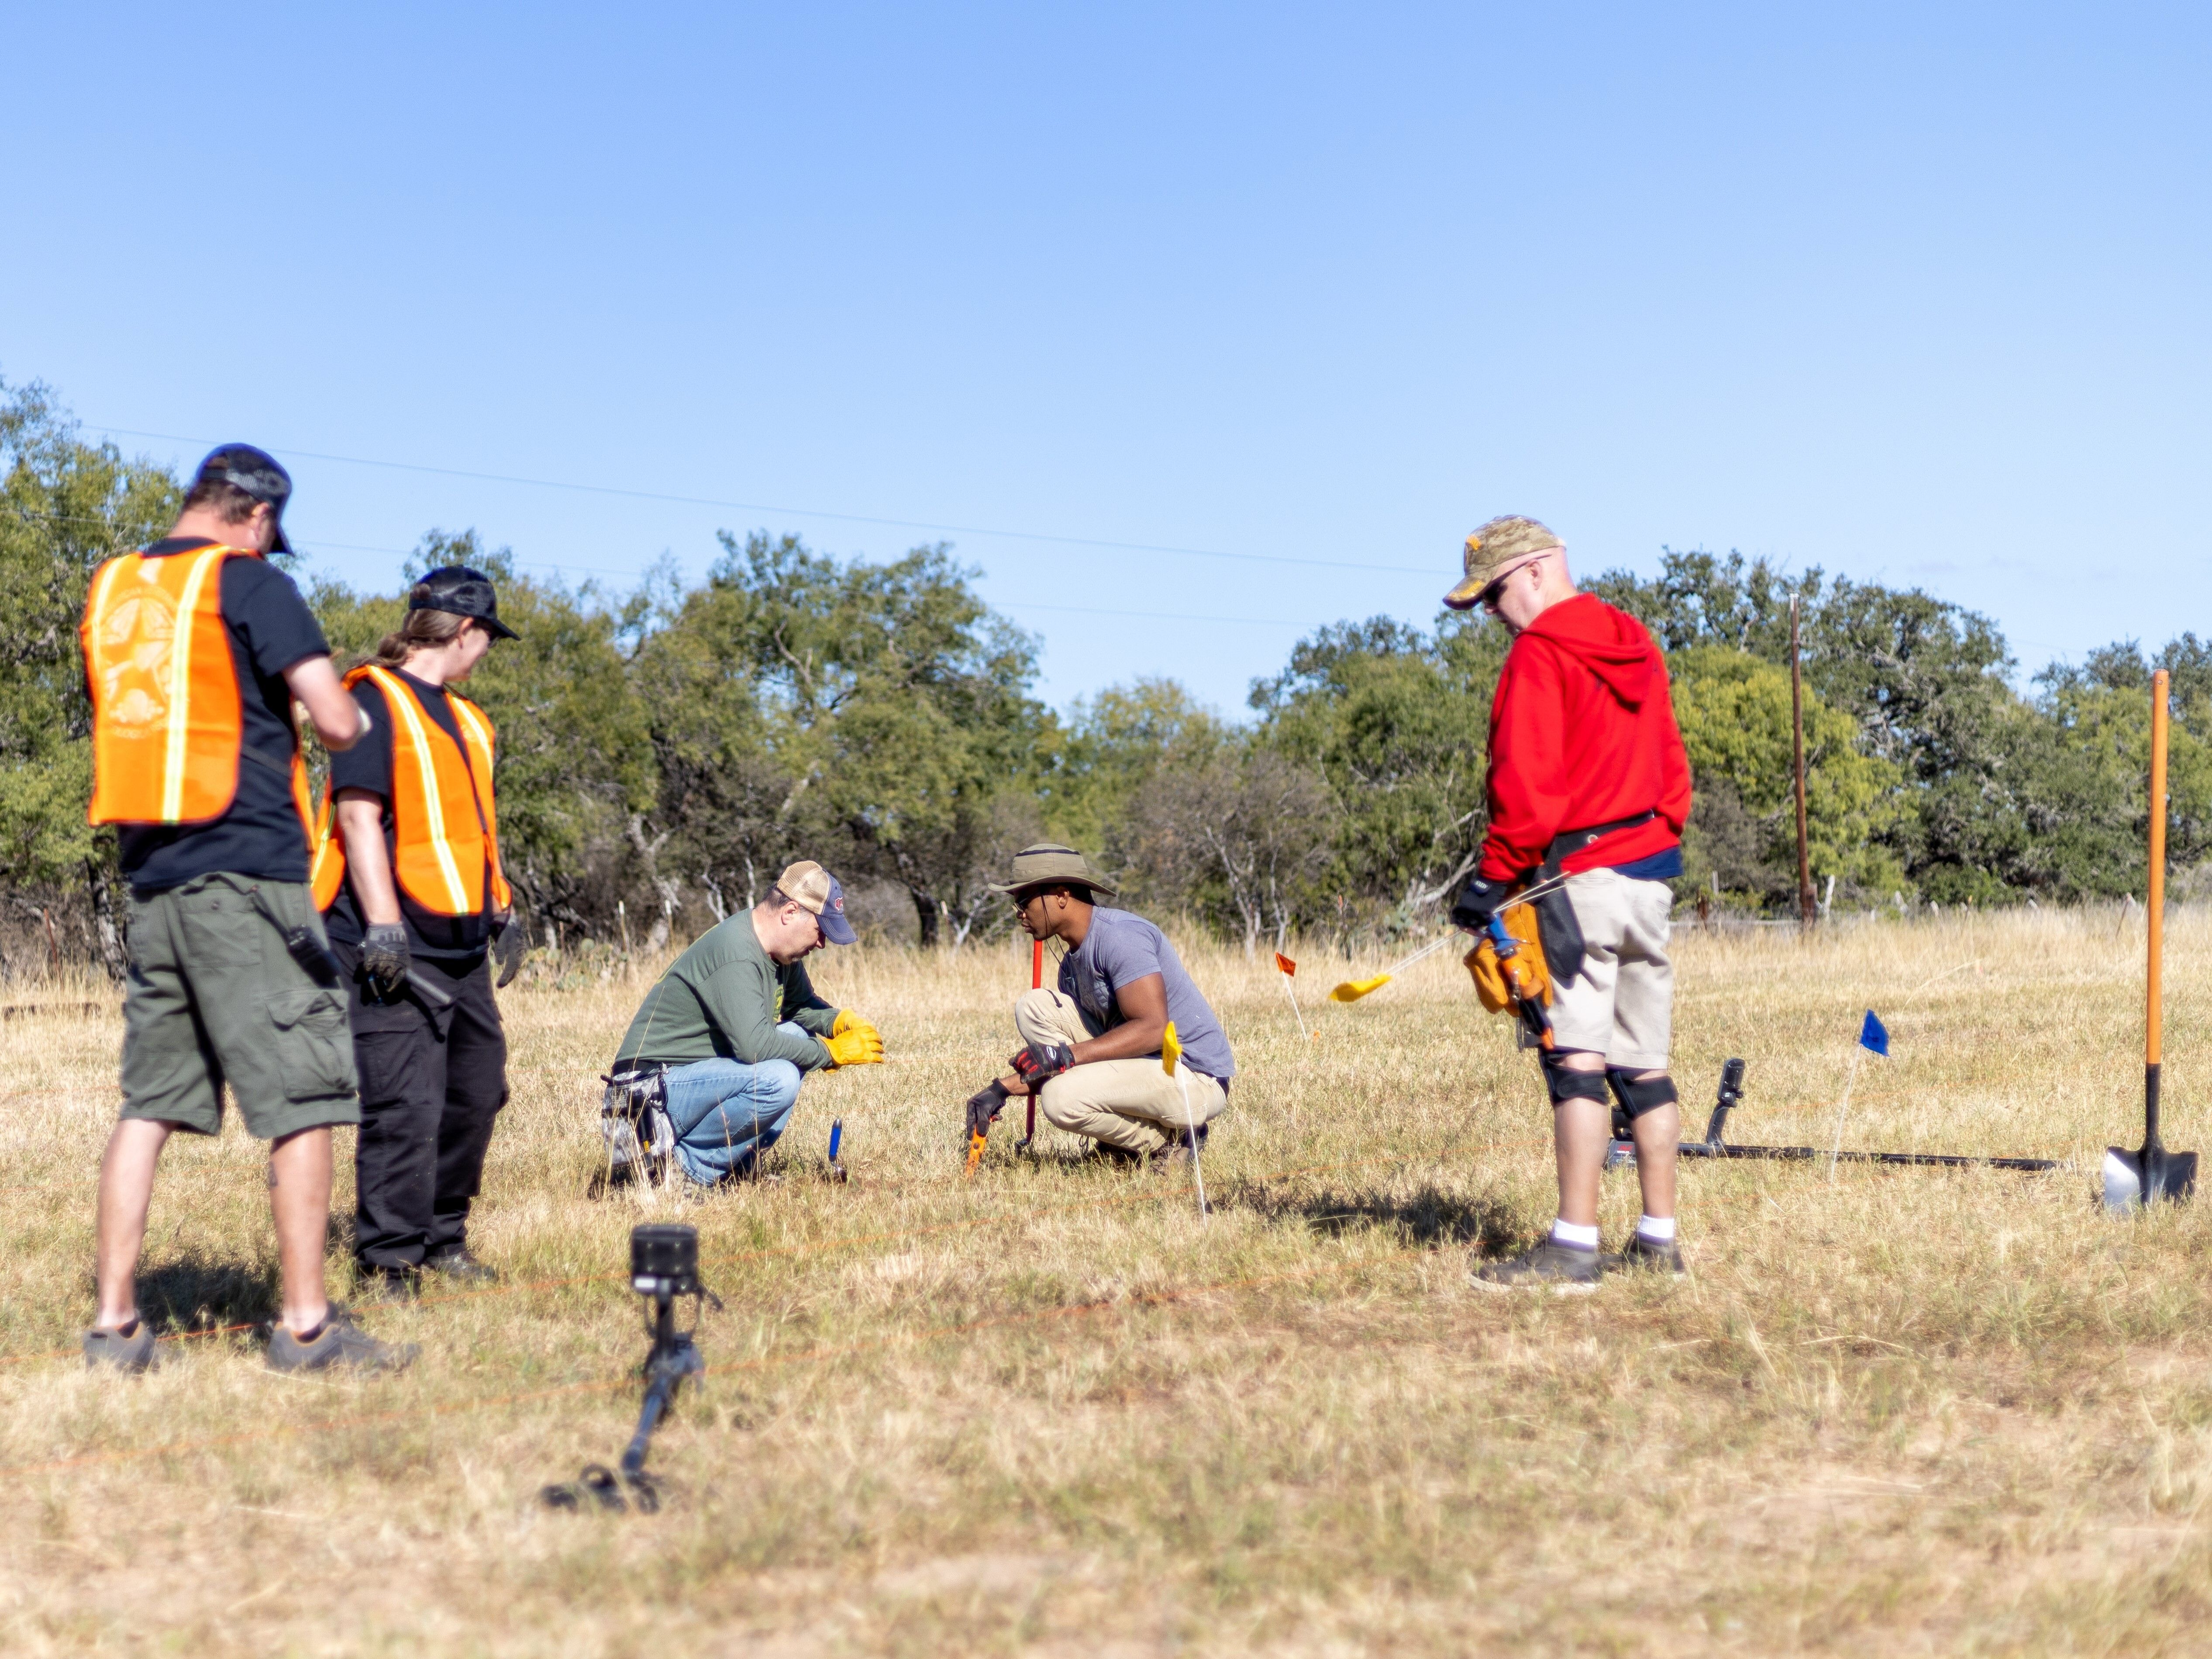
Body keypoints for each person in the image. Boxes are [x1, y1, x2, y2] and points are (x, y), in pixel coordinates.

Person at [79, 444, 412, 1373]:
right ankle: (306, 1328)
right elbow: (336, 719)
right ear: (259, 518)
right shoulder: (250, 583)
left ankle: (115, 1326)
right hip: (249, 871)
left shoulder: (116, 591)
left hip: (152, 874)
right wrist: (330, 715)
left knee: (148, 1104)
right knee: (305, 1095)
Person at [1444, 515, 1693, 1289]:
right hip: (1649, 874)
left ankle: (1574, 1246)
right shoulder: (1636, 640)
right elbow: (1672, 759)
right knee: (1644, 1063)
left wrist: (1493, 875)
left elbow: (1528, 783)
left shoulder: (1538, 654)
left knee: (1575, 1057)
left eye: (1493, 592)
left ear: (1541, 569)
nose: (1489, 610)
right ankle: (1659, 1242)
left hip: (1579, 874)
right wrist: (1659, 838)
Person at [308, 566, 524, 1297]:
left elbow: (468, 827)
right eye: (488, 637)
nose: (487, 650)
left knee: (476, 1089)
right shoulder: (372, 697)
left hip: (462, 943)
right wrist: (383, 928)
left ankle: (442, 1235)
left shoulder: (467, 719)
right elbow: (358, 816)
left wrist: (503, 906)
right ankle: (389, 1259)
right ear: (465, 630)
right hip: (387, 942)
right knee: (406, 1100)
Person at [608, 862, 884, 1184]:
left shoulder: (778, 954)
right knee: (777, 1077)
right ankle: (680, 1175)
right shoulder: (738, 950)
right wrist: (831, 1053)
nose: (822, 942)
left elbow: (801, 1008)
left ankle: (736, 1168)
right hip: (642, 1099)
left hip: (678, 1084)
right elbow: (755, 1046)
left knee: (796, 1035)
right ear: (791, 912)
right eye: (821, 929)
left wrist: (839, 1021)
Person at [964, 844, 1233, 1163]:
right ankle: (1128, 1138)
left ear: (1062, 895)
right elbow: (1066, 1062)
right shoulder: (1069, 966)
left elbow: (1153, 1030)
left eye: (1023, 901)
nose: (1019, 913)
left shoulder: (1121, 937)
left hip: (1191, 1075)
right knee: (1033, 1006)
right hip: (1142, 1064)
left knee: (1060, 1098)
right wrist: (1001, 1089)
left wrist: (1065, 1054)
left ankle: (1169, 1140)